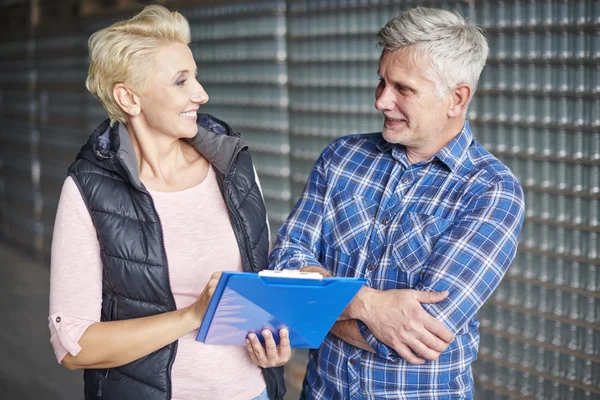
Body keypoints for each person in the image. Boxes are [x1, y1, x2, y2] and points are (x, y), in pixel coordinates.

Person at [269, 7, 525, 399]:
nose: (382, 102)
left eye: (403, 89)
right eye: (381, 83)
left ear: (456, 99)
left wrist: (311, 306)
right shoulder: (342, 158)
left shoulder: (491, 192)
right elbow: (285, 261)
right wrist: (367, 304)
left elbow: (417, 335)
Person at [48, 5, 290, 400]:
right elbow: (74, 345)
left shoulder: (232, 165)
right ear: (129, 97)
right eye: (181, 81)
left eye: (196, 76)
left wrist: (276, 343)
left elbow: (258, 291)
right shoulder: (89, 189)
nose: (201, 93)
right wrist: (192, 316)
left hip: (253, 391)